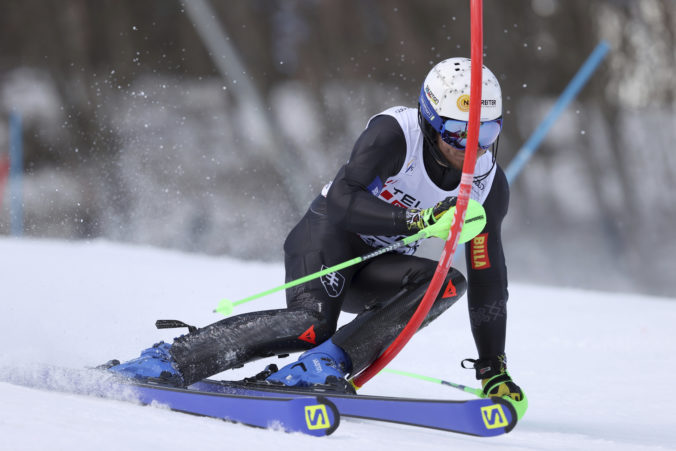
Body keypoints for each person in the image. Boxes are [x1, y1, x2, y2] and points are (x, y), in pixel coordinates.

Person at [108, 57, 524, 405]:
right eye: (459, 133)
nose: (473, 148)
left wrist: (493, 368)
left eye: (486, 133)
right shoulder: (395, 136)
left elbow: (489, 275)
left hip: (376, 266)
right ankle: (170, 359)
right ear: (431, 124)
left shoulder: (488, 185)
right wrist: (415, 222)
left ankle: (325, 365)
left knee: (446, 283)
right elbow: (343, 199)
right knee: (309, 326)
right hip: (328, 238)